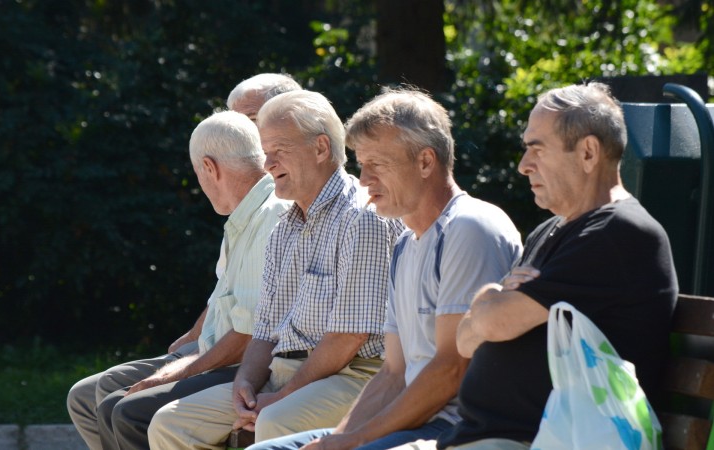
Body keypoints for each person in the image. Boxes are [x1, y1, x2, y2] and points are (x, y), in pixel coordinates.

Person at [247, 88, 523, 450]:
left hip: (462, 429)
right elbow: (393, 374)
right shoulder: (407, 244)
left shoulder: (470, 228)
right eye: (362, 164)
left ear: (425, 162)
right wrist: (339, 437)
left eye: (377, 164)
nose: (363, 180)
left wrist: (356, 439)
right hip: (416, 424)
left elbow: (451, 371)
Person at [147, 90, 406, 449]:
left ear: (320, 148)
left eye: (278, 150)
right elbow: (265, 330)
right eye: (264, 151)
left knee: (273, 420)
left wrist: (280, 397)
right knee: (171, 424)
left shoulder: (362, 218)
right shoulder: (285, 227)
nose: (267, 164)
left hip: (353, 375)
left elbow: (347, 339)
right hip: (287, 372)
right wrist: (245, 386)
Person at [427, 82, 678, 450]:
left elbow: (493, 322)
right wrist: (493, 300)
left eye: (537, 149)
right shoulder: (550, 231)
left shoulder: (618, 233)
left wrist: (492, 306)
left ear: (588, 153)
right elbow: (465, 341)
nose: (523, 165)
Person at [66, 103, 294, 449]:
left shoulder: (269, 214)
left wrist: (184, 368)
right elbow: (229, 302)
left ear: (208, 167)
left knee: (124, 410)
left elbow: (249, 335)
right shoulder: (247, 215)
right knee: (94, 397)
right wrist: (188, 345)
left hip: (254, 368)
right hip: (222, 356)